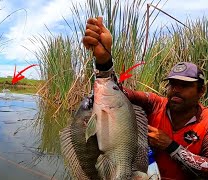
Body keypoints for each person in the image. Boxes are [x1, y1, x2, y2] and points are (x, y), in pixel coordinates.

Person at [83, 17, 208, 179]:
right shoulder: (154, 104)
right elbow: (118, 94)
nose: (176, 90)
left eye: (185, 86)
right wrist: (103, 60)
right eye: (172, 84)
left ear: (201, 91)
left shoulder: (206, 123)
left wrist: (170, 146)